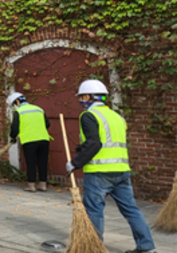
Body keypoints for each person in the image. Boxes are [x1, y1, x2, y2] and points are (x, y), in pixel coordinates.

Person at [65, 79, 156, 253]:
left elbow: (95, 144)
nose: (80, 101)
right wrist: (81, 149)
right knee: (131, 210)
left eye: (81, 97)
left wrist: (74, 163)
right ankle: (147, 247)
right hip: (121, 171)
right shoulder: (117, 117)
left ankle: (93, 246)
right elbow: (107, 141)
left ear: (87, 97)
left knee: (94, 211)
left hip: (99, 172)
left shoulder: (88, 115)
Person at [7, 92, 52, 192]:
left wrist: (13, 137)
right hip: (44, 139)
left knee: (31, 162)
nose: (14, 106)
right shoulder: (39, 109)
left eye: (14, 104)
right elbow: (47, 124)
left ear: (17, 101)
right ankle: (42, 184)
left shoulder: (19, 111)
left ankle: (31, 186)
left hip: (29, 140)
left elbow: (14, 128)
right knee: (42, 162)